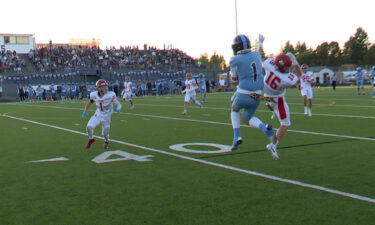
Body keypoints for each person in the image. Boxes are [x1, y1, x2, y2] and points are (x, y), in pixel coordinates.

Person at [229, 34, 276, 159]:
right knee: (247, 118)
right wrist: (261, 42)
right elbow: (259, 51)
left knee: (234, 110)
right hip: (257, 94)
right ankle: (265, 128)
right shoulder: (256, 55)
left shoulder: (235, 59)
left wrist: (233, 75)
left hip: (243, 93)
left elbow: (234, 80)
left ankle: (237, 136)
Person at [263, 53, 302, 157]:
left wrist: (260, 45)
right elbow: (300, 79)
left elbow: (261, 59)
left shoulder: (269, 64)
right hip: (278, 100)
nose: (288, 69)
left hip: (266, 96)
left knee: (270, 105)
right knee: (286, 123)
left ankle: (273, 113)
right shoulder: (286, 78)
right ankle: (273, 144)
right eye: (286, 67)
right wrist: (296, 63)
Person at [81, 79, 122, 149]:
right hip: (98, 114)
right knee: (89, 127)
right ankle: (91, 139)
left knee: (105, 134)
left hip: (107, 117)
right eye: (102, 87)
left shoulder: (111, 95)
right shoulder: (93, 94)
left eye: (105, 86)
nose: (105, 88)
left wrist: (118, 108)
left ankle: (106, 141)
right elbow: (89, 102)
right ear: (98, 88)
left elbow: (118, 104)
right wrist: (85, 111)